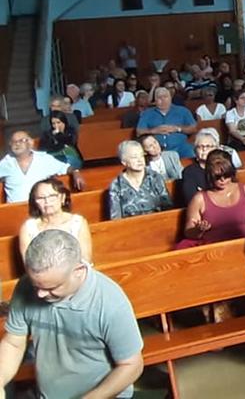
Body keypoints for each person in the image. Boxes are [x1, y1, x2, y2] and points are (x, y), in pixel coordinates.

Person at [0, 230, 144, 397]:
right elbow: (13, 343)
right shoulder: (25, 287)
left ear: (78, 271)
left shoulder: (109, 301)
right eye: (35, 285)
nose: (40, 294)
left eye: (51, 288)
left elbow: (131, 365)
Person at [178, 150, 245, 248]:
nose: (223, 180)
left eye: (226, 175)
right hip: (215, 251)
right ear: (210, 174)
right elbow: (189, 232)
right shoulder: (199, 199)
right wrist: (199, 230)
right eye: (218, 177)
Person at [20, 177, 93, 263]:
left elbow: (86, 259)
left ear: (62, 197)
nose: (47, 201)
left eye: (52, 196)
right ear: (35, 202)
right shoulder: (29, 227)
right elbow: (29, 263)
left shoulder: (78, 222)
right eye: (40, 198)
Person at [1, 129, 85, 204]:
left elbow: (66, 168)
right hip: (15, 210)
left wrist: (76, 173)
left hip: (41, 208)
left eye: (21, 140)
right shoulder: (6, 163)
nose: (17, 144)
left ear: (30, 143)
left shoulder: (44, 159)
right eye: (13, 141)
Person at [108, 140, 172, 219]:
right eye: (134, 157)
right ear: (124, 162)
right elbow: (115, 218)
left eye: (141, 155)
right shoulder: (117, 184)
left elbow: (168, 209)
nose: (140, 160)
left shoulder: (155, 177)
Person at [178, 128, 242, 206]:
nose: (204, 149)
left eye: (208, 146)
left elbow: (234, 191)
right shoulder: (189, 172)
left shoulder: (225, 166)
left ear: (216, 148)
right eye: (200, 146)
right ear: (195, 150)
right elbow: (191, 200)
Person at [137, 87, 198, 158]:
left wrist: (178, 128)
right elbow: (139, 132)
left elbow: (193, 128)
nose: (163, 100)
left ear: (170, 98)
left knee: (191, 153)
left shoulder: (183, 111)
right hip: (157, 149)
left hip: (181, 147)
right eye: (159, 97)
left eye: (165, 97)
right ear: (155, 100)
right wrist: (153, 130)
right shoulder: (147, 113)